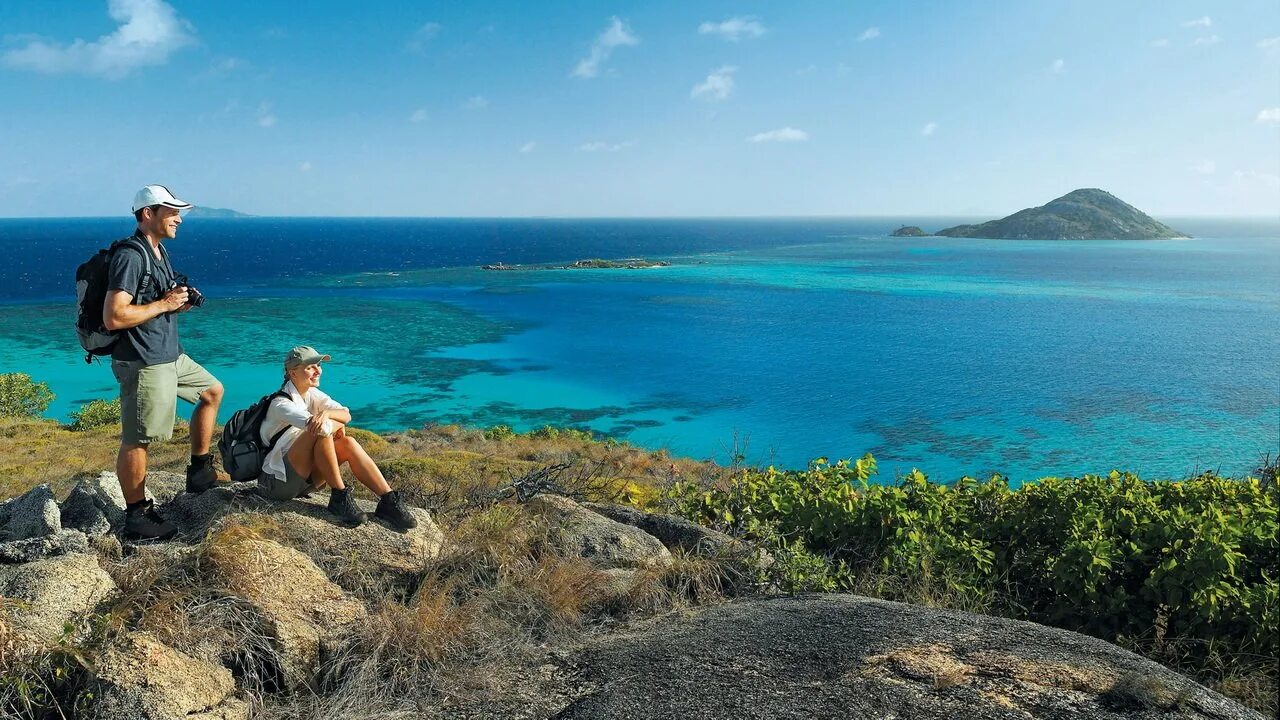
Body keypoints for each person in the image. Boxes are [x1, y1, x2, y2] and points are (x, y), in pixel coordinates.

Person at [104, 184, 224, 540]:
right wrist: (165, 304)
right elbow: (114, 316)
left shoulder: (158, 252)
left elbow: (155, 301)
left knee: (212, 392)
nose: (179, 220)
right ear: (147, 214)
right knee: (138, 439)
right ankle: (137, 516)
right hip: (144, 361)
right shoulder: (131, 255)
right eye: (172, 213)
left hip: (169, 354)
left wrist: (178, 302)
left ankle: (199, 470)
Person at [257, 345, 417, 531]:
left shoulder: (312, 395)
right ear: (293, 373)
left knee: (348, 442)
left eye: (318, 365)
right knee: (319, 432)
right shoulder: (281, 403)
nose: (318, 371)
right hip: (276, 483)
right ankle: (339, 497)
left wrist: (327, 413)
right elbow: (324, 428)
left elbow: (346, 414)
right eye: (310, 367)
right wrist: (336, 422)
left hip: (304, 481)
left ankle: (388, 500)